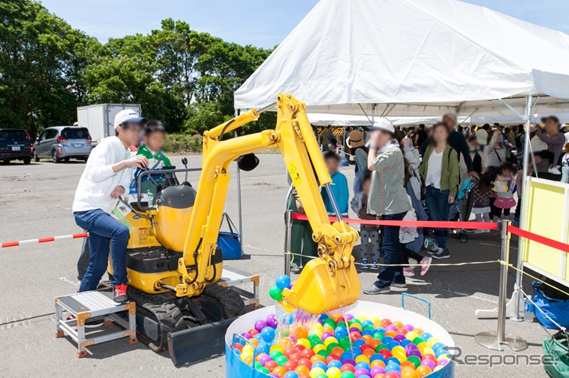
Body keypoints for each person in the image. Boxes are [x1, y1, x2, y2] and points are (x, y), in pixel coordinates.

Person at [72, 109, 148, 303]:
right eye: (132, 127)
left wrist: (121, 186)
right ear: (119, 128)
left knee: (97, 266)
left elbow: (127, 178)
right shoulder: (108, 145)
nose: (137, 132)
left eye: (139, 128)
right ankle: (119, 284)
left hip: (103, 211)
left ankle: (79, 307)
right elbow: (96, 174)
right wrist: (125, 162)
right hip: (87, 208)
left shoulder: (127, 152)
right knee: (120, 231)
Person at [363, 119, 411, 295]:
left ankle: (384, 282)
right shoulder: (391, 151)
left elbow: (371, 165)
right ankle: (398, 278)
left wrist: (372, 147)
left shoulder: (392, 152)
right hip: (391, 205)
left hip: (393, 206)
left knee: (389, 244)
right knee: (394, 243)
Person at [419, 122, 460, 259]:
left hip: (444, 190)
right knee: (435, 218)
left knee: (441, 219)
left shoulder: (451, 152)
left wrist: (453, 192)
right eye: (436, 132)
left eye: (441, 132)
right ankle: (440, 245)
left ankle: (443, 247)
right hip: (430, 189)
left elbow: (455, 173)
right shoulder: (429, 149)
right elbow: (423, 166)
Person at [135, 120, 172, 199]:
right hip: (145, 180)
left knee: (170, 188)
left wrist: (172, 178)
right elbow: (139, 159)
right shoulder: (143, 151)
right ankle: (152, 208)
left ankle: (168, 208)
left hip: (159, 179)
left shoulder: (161, 154)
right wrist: (141, 160)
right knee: (153, 189)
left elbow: (169, 166)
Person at [350, 176, 380, 270]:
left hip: (375, 225)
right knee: (364, 244)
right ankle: (364, 259)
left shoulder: (377, 196)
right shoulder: (361, 196)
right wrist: (357, 211)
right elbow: (353, 203)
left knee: (375, 244)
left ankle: (375, 260)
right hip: (364, 224)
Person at [286, 186, 317, 274]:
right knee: (295, 232)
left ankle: (308, 260)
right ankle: (294, 261)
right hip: (297, 195)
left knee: (311, 232)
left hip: (314, 194)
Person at [321, 151, 349, 216]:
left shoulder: (341, 177)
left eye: (333, 162)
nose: (330, 165)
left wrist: (339, 212)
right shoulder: (325, 178)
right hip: (327, 213)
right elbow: (323, 195)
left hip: (340, 214)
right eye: (328, 162)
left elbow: (344, 196)